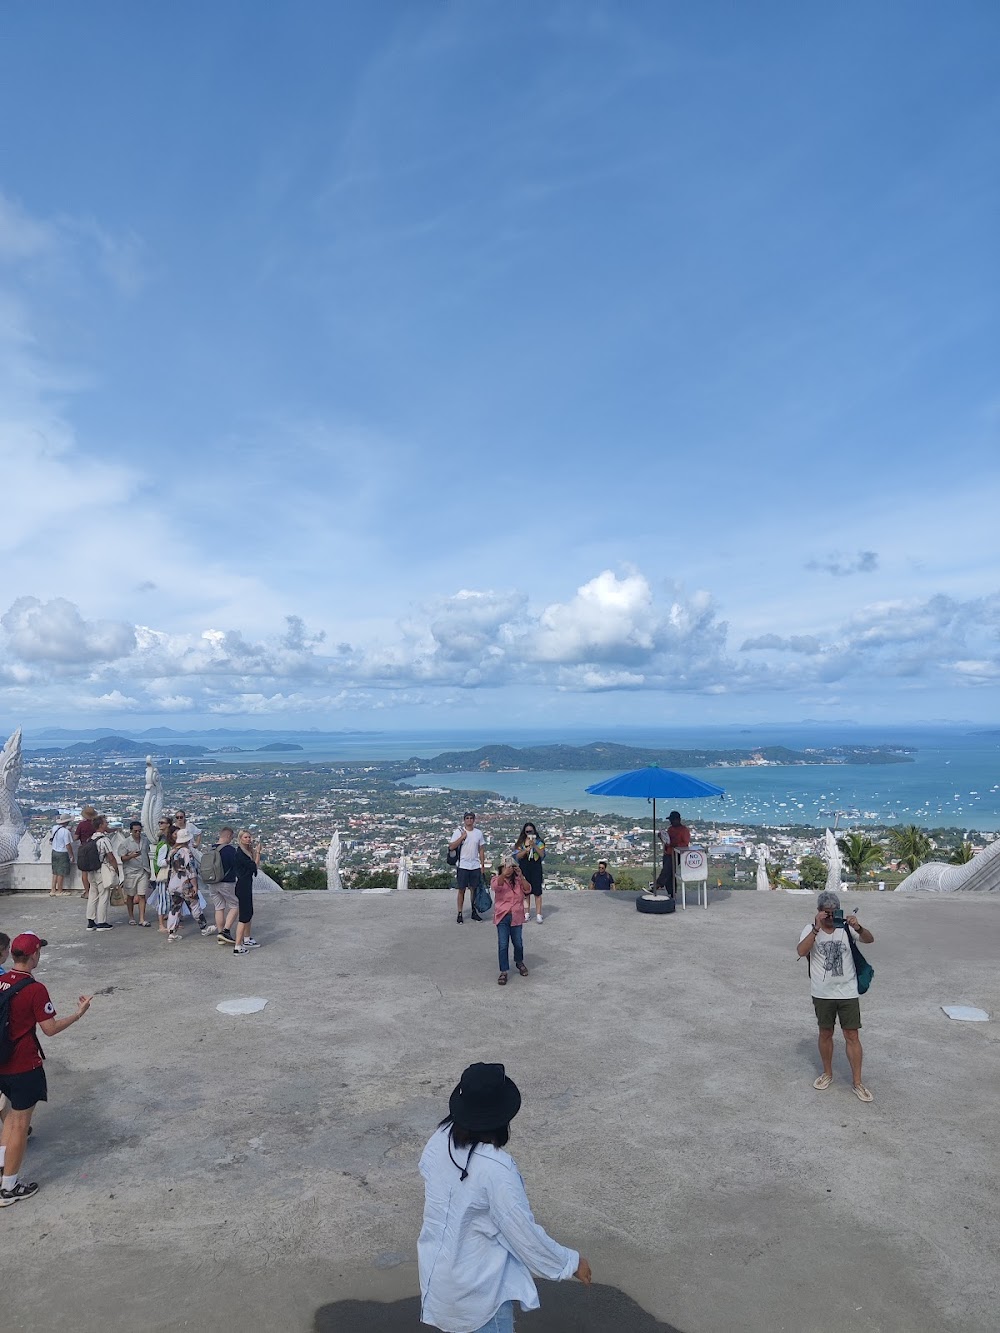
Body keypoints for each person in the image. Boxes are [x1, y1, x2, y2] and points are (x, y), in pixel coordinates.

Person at [418, 1062, 591, 1331]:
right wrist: (569, 1262)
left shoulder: (439, 1139)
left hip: (439, 1283)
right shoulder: (497, 1170)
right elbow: (523, 1234)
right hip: (479, 1296)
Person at [0, 933, 93, 1206]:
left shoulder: (2, 981)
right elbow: (49, 1029)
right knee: (19, 1124)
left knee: (9, 1121)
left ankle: (3, 1170)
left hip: (2, 1064)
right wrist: (78, 1014)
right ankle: (8, 1188)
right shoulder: (34, 988)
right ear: (34, 955)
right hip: (23, 1065)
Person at [796, 890, 876, 1103]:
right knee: (825, 1033)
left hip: (847, 991)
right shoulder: (810, 929)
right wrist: (816, 928)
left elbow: (869, 939)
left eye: (834, 912)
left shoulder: (847, 928)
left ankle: (858, 1082)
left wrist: (858, 926)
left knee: (852, 1035)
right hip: (822, 993)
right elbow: (801, 951)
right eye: (826, 913)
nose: (831, 917)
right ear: (819, 912)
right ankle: (827, 1073)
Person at [492, 855, 529, 986]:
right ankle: (504, 971)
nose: (509, 870)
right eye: (506, 867)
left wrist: (521, 875)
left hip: (517, 916)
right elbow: (496, 886)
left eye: (510, 868)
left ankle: (519, 961)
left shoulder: (518, 881)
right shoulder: (497, 879)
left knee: (518, 943)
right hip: (502, 916)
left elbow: (528, 889)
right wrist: (503, 874)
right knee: (503, 944)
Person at [166, 829, 209, 937]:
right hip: (185, 883)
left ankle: (171, 932)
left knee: (175, 907)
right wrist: (195, 885)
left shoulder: (172, 851)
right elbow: (191, 870)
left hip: (173, 883)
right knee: (194, 905)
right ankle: (204, 928)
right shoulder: (186, 852)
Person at [449, 811, 487, 924]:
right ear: (464, 820)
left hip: (474, 865)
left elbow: (481, 849)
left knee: (473, 890)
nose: (469, 820)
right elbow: (451, 846)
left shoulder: (478, 833)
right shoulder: (459, 832)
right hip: (463, 865)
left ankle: (473, 911)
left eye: (471, 818)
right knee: (461, 890)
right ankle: (460, 913)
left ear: (474, 820)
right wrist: (462, 837)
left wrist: (482, 865)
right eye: (467, 818)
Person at [85, 815, 121, 932]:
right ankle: (102, 922)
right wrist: (116, 870)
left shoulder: (91, 839)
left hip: (91, 870)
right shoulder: (104, 840)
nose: (107, 824)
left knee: (92, 894)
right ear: (101, 825)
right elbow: (111, 857)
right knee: (104, 895)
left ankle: (91, 921)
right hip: (102, 869)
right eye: (105, 823)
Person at [232, 829, 262, 955]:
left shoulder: (246, 852)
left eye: (249, 837)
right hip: (243, 885)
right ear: (240, 839)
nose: (248, 839)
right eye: (245, 837)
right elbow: (254, 867)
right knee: (244, 916)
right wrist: (258, 853)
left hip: (246, 884)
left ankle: (247, 938)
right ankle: (237, 946)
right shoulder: (240, 854)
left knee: (249, 913)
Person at [210, 827, 240, 946]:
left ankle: (220, 933)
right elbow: (237, 865)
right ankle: (225, 931)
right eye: (231, 837)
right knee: (235, 905)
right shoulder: (230, 850)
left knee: (219, 907)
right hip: (226, 882)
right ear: (228, 836)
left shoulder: (211, 848)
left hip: (212, 882)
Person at [514, 822, 545, 924]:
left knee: (537, 891)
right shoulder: (520, 843)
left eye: (530, 831)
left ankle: (538, 914)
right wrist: (527, 849)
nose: (528, 833)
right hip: (524, 867)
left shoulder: (540, 842)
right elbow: (517, 856)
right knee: (525, 891)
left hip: (535, 867)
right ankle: (526, 913)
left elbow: (542, 854)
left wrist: (534, 846)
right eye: (527, 831)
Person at [121, 820, 152, 926]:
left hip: (143, 870)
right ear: (131, 831)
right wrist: (131, 856)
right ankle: (131, 917)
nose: (138, 833)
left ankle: (142, 918)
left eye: (139, 831)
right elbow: (122, 858)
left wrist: (149, 870)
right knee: (130, 895)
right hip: (130, 872)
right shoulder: (125, 843)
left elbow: (147, 854)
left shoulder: (145, 840)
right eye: (135, 831)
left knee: (142, 895)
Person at [656, 811, 691, 897]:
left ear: (678, 820)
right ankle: (671, 893)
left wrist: (674, 845)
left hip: (677, 854)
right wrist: (661, 837)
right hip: (668, 852)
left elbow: (685, 843)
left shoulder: (684, 830)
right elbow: (667, 841)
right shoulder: (670, 829)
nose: (671, 822)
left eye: (672, 820)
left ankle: (658, 884)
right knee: (670, 874)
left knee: (667, 870)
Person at [151, 817, 175, 932]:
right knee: (164, 900)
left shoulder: (164, 841)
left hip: (169, 874)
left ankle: (169, 922)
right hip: (165, 874)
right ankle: (161, 924)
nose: (160, 824)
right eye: (159, 822)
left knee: (170, 899)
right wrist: (169, 860)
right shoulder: (164, 844)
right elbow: (160, 862)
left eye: (162, 822)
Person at [74, 804, 97, 900]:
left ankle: (87, 892)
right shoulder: (95, 825)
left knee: (84, 872)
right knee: (95, 871)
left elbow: (75, 838)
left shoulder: (81, 825)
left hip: (83, 848)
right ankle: (94, 891)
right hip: (94, 849)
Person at [49, 815, 75, 897]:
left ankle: (53, 890)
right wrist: (71, 855)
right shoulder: (65, 832)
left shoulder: (54, 828)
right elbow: (68, 845)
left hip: (54, 851)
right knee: (61, 873)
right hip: (62, 853)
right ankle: (59, 890)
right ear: (67, 822)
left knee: (55, 871)